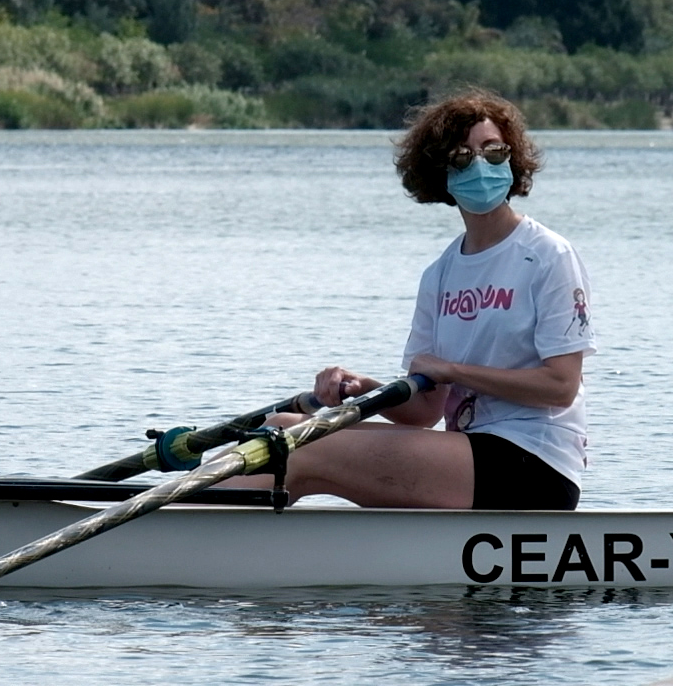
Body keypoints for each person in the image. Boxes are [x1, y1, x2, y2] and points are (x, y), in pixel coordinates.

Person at [227, 90, 594, 510]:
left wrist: (455, 370)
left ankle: (179, 538)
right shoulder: (440, 274)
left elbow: (561, 387)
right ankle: (195, 527)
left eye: (493, 152)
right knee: (282, 428)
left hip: (534, 464)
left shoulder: (548, 255)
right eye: (462, 157)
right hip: (471, 454)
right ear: (441, 174)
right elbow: (424, 412)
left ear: (511, 160)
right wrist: (364, 388)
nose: (481, 165)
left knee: (295, 447)